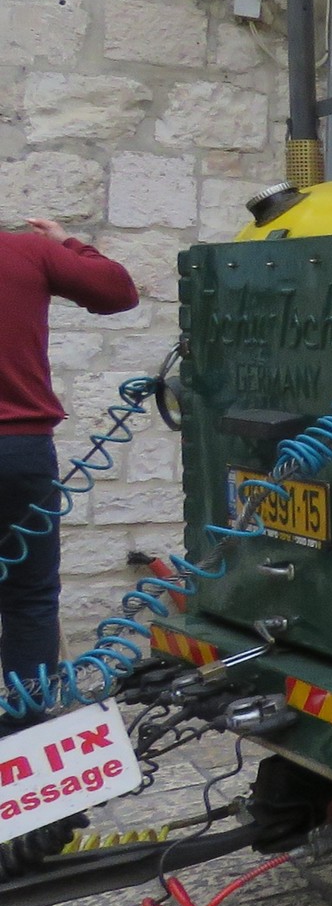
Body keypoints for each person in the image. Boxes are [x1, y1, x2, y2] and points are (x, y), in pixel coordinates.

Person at [0, 218, 140, 713]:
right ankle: (27, 723)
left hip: (17, 448)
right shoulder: (25, 251)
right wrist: (68, 243)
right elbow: (118, 291)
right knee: (29, 596)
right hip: (17, 452)